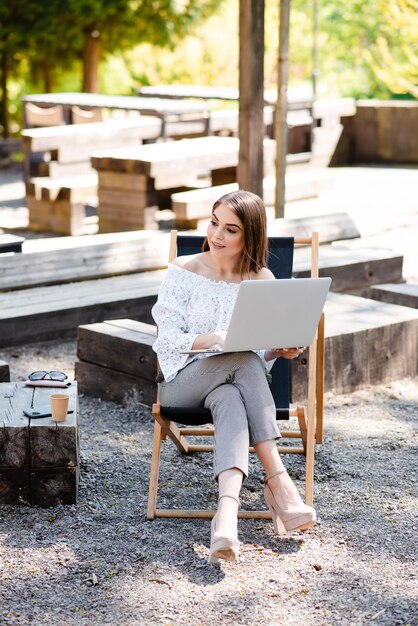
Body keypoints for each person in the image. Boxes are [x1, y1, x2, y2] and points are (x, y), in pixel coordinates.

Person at [151, 190, 316, 564]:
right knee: (239, 354)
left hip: (230, 385)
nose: (216, 235)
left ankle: (225, 518)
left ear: (250, 235)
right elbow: (166, 341)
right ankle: (279, 482)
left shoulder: (262, 279)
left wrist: (279, 350)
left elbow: (258, 359)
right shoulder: (183, 270)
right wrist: (212, 340)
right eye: (213, 223)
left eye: (230, 229)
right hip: (182, 382)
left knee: (231, 396)